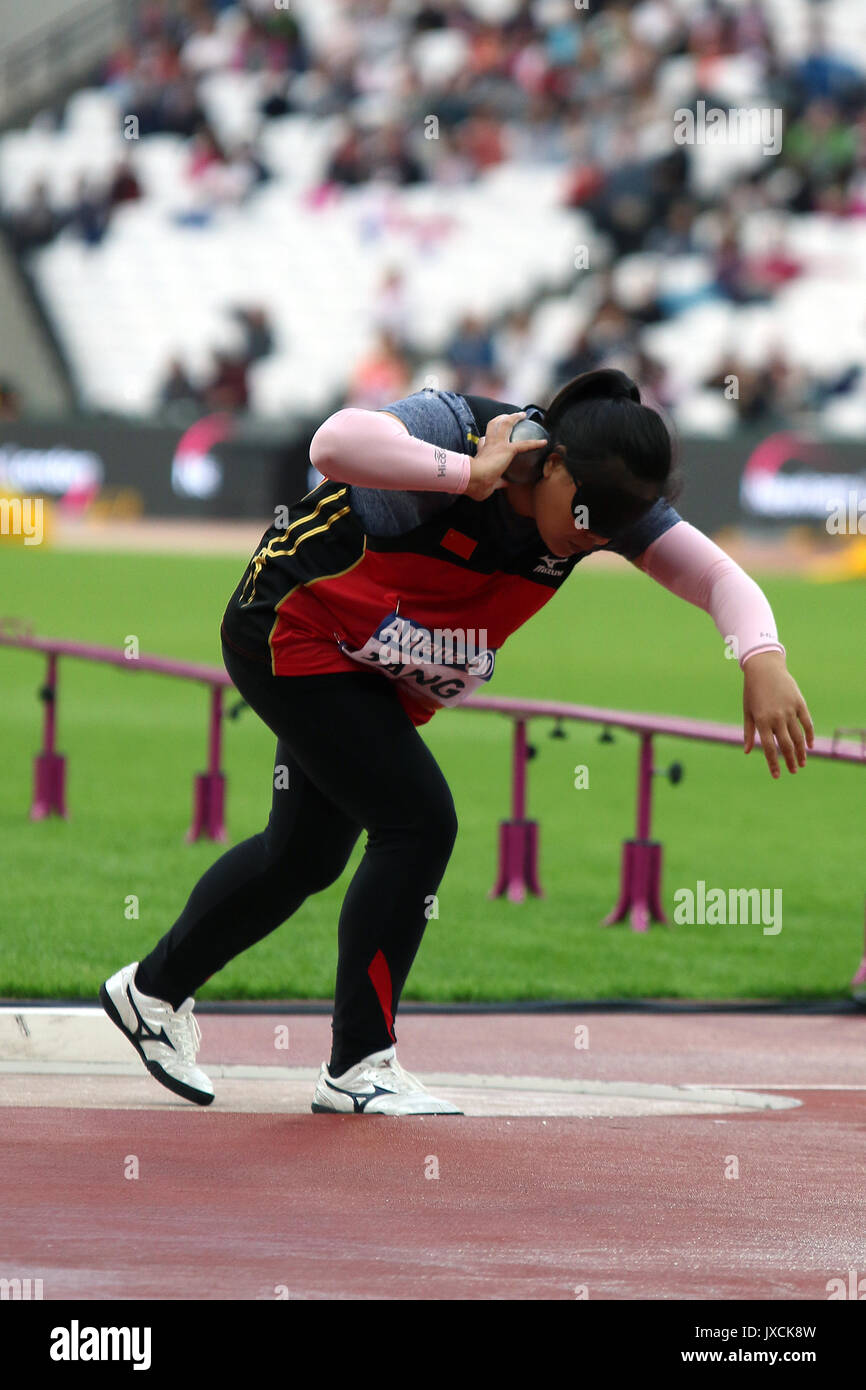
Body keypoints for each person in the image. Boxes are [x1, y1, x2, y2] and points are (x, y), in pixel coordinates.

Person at [100, 369, 814, 1115]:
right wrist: (465, 475)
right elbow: (334, 442)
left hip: (372, 656)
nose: (587, 540)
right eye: (582, 518)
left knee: (304, 855)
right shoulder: (458, 432)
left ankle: (151, 992)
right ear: (553, 462)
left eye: (607, 534)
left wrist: (763, 659)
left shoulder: (606, 500)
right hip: (292, 624)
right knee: (417, 820)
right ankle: (359, 1064)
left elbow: (720, 578)